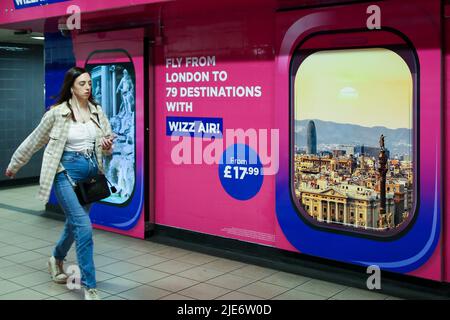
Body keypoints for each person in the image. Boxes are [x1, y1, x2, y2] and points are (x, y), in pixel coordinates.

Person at [4, 67, 115, 300]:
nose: (87, 88)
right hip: (65, 172)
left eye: (89, 84)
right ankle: (90, 285)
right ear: (71, 86)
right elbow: (34, 140)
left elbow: (108, 146)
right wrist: (15, 164)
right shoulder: (57, 113)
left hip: (91, 175)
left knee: (74, 224)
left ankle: (55, 258)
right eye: (82, 84)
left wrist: (107, 147)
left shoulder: (97, 111)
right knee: (83, 226)